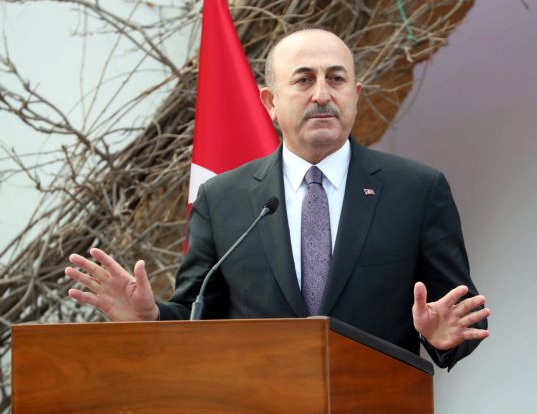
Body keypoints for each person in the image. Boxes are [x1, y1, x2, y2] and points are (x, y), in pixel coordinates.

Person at [66, 26, 489, 370]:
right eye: (304, 80)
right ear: (270, 102)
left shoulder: (417, 190)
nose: (322, 94)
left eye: (336, 79)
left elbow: (461, 314)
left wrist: (443, 338)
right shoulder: (222, 199)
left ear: (356, 95)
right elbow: (197, 315)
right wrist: (152, 318)